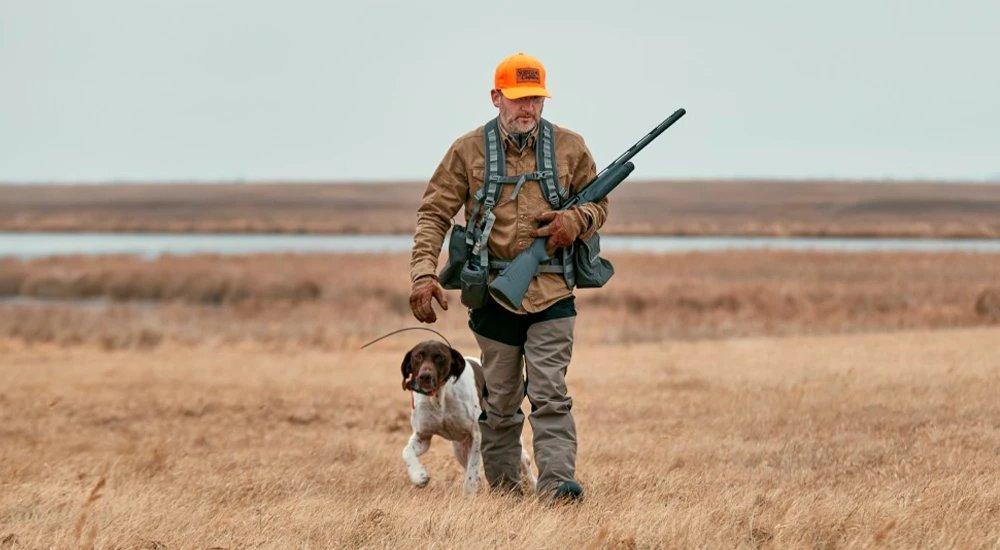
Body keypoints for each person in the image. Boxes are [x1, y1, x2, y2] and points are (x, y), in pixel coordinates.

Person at [408, 52, 608, 501]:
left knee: (551, 393)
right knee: (498, 402)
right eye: (518, 99)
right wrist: (423, 275)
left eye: (536, 98)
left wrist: (575, 222)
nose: (528, 108)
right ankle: (504, 493)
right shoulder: (467, 150)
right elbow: (433, 213)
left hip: (554, 290)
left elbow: (599, 205)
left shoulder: (571, 147)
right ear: (496, 97)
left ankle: (557, 485)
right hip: (493, 295)